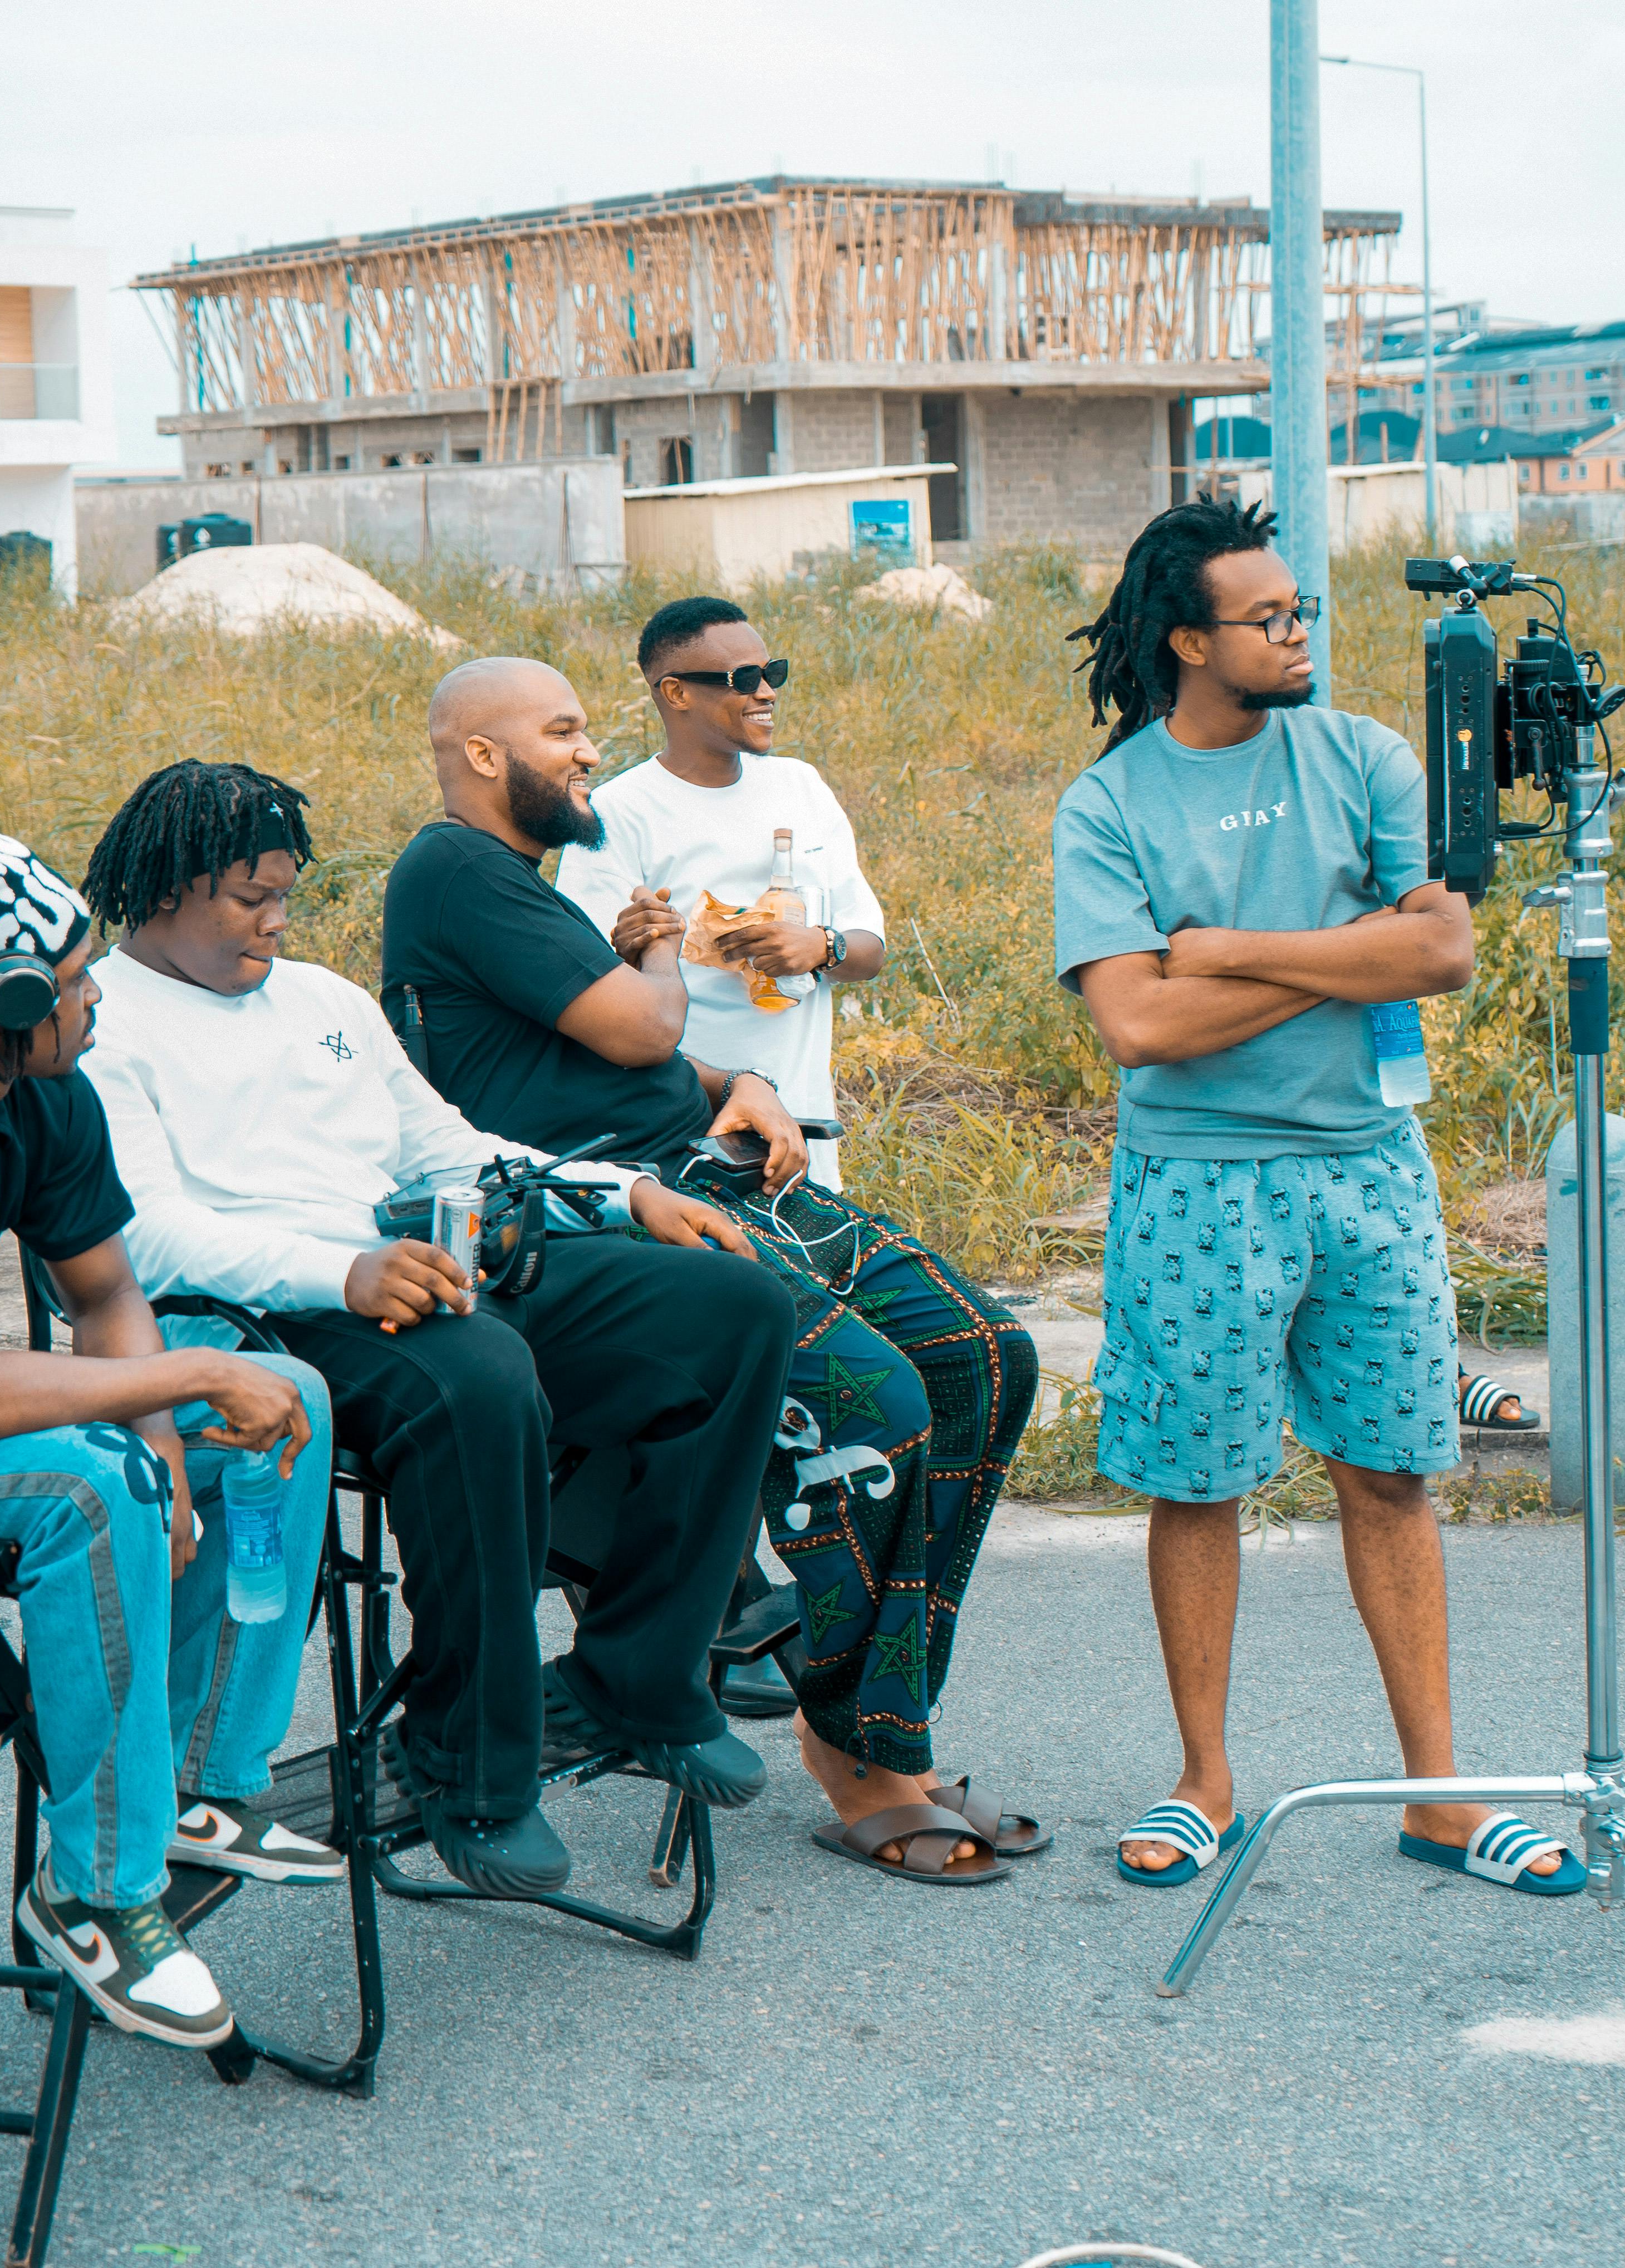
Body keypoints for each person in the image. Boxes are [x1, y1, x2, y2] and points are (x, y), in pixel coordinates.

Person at [79, 759, 796, 1905]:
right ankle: (466, 1756)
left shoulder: (322, 1003)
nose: (276, 918)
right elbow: (145, 1240)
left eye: (285, 894)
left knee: (734, 1310)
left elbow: (447, 1148)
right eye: (251, 897)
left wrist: (621, 1195)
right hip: (269, 1315)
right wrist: (344, 1271)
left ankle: (642, 1679)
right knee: (477, 1374)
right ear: (167, 888)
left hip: (407, 1262)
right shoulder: (104, 1025)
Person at [381, 659, 1043, 1887]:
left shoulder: (512, 886)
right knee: (880, 1412)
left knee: (987, 1358)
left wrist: (728, 1080)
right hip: (629, 1216)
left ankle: (877, 1726)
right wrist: (666, 970)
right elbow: (636, 1025)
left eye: (585, 731)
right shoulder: (453, 869)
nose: (586, 752)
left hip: (707, 1159)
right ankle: (859, 1755)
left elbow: (595, 1057)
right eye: (562, 731)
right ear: (481, 753)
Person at [1053, 494, 1583, 1898]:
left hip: (1367, 1167)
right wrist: (1339, 947)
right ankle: (1204, 1779)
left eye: (1302, 611)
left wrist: (1216, 947)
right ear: (1187, 638)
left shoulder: (1362, 753)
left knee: (1394, 1471)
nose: (1300, 633)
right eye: (1270, 617)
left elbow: (1443, 950)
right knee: (1197, 1479)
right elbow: (1137, 1032)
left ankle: (1439, 1794)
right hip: (1194, 1181)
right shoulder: (1108, 802)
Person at [0, 801, 340, 2055]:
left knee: (290, 1402)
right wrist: (166, 1404)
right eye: (68, 981)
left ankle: (192, 1787)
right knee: (86, 1480)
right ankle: (97, 1893)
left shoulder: (44, 1095)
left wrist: (170, 1423)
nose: (97, 993)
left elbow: (106, 1295)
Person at [554, 594, 886, 1190]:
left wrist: (820, 945)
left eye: (773, 673)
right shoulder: (617, 815)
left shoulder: (800, 787)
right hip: (689, 1134)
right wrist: (639, 947)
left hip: (805, 1127)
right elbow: (587, 990)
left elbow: (870, 948)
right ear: (676, 692)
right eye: (745, 679)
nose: (767, 692)